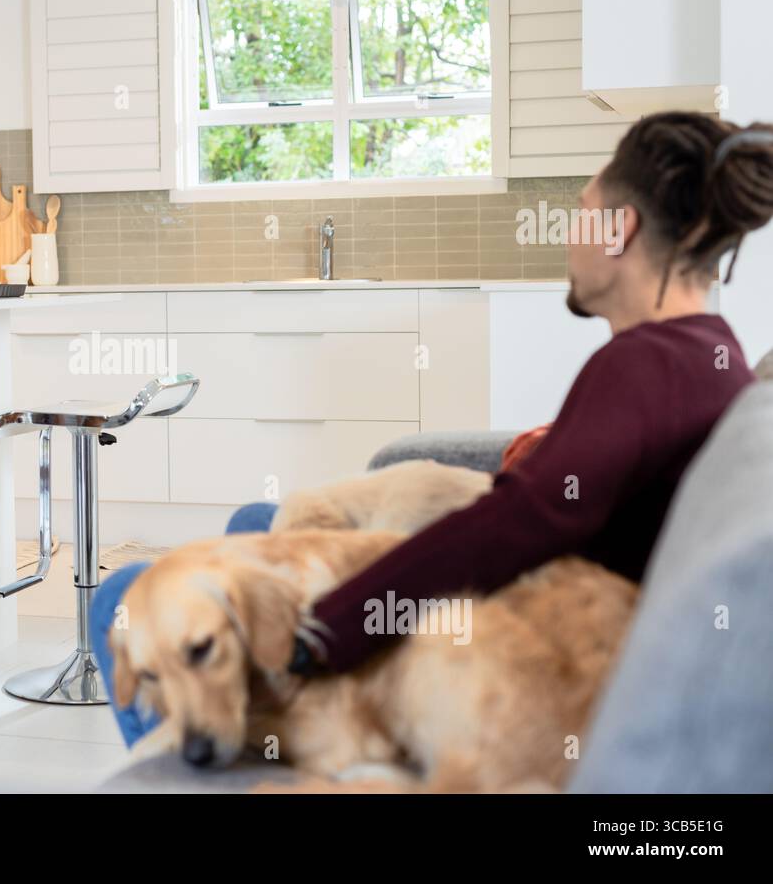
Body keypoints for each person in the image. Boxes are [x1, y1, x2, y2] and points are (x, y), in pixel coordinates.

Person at [90, 111, 773, 750]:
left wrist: (323, 632)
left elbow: (515, 524)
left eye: (582, 214)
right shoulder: (707, 356)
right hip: (511, 604)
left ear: (618, 231)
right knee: (256, 517)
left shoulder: (643, 364)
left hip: (502, 642)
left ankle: (215, 755)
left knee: (126, 596)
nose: (570, 233)